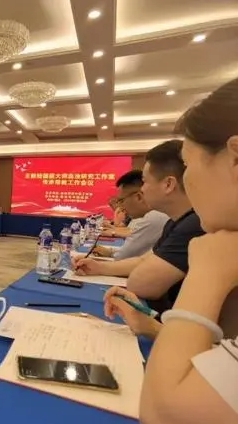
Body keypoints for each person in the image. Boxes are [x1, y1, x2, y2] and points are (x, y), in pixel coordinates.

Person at [103, 78, 238, 423]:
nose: (188, 181)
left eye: (189, 165)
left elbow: (162, 414)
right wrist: (152, 327)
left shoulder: (215, 250)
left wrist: (208, 273)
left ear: (235, 158)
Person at [73, 139, 204, 313]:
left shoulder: (194, 225)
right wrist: (100, 267)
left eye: (145, 182)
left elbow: (141, 284)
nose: (143, 190)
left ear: (168, 184)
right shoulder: (175, 222)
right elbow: (144, 260)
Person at [90, 170, 169, 260]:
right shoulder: (158, 214)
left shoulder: (154, 217)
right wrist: (110, 252)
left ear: (139, 197)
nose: (121, 207)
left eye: (121, 201)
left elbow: (122, 257)